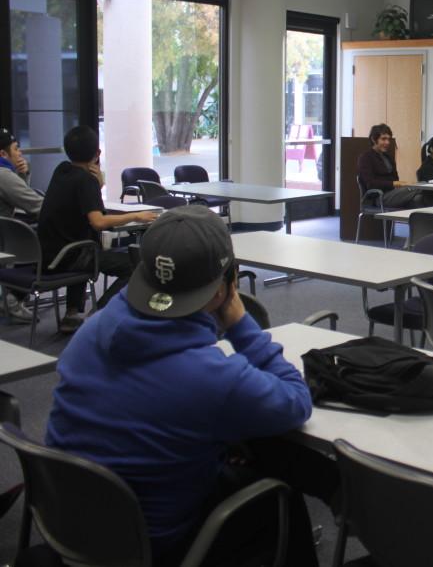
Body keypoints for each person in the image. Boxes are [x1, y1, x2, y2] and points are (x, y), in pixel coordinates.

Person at [45, 206, 326, 565]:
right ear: (227, 284)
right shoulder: (213, 379)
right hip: (153, 545)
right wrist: (240, 322)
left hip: (71, 526)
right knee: (277, 489)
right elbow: (295, 401)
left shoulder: (92, 331)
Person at [38, 126, 159, 333]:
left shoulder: (61, 170)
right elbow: (98, 222)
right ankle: (97, 316)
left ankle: (71, 315)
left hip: (47, 254)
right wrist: (136, 215)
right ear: (97, 154)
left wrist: (98, 186)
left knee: (87, 245)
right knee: (136, 267)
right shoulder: (85, 180)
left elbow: (79, 206)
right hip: (70, 256)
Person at [0, 128, 43, 323]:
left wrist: (23, 174)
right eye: (16, 149)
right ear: (3, 154)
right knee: (43, 242)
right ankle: (11, 298)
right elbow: (35, 205)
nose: (20, 153)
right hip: (3, 242)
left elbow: (20, 198)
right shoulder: (3, 175)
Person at [357, 123, 421, 209]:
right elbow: (370, 183)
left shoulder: (388, 157)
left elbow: (395, 179)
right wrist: (393, 183)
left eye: (388, 139)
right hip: (378, 197)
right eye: (383, 139)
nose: (387, 142)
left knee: (419, 198)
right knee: (417, 188)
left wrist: (397, 184)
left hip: (392, 193)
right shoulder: (366, 157)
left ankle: (423, 221)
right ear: (373, 139)